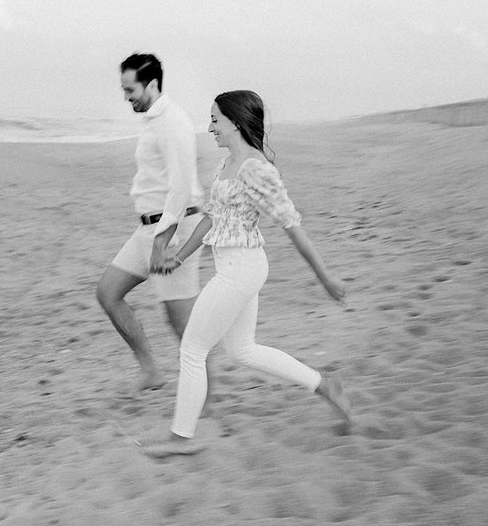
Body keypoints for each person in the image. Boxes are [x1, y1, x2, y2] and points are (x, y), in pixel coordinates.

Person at [142, 89, 351, 458]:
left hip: (241, 268)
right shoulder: (227, 165)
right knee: (242, 350)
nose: (209, 128)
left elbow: (291, 225)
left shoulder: (255, 169)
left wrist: (325, 276)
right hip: (236, 266)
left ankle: (180, 439)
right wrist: (179, 257)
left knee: (192, 349)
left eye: (215, 120)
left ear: (235, 122)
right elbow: (210, 218)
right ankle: (325, 385)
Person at [96, 53, 209, 393]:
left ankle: (210, 393)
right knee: (108, 293)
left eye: (130, 89)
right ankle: (150, 370)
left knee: (182, 325)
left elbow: (181, 188)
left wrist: (162, 242)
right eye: (124, 89)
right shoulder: (152, 120)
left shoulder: (172, 122)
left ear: (152, 84)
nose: (126, 96)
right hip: (149, 229)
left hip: (174, 230)